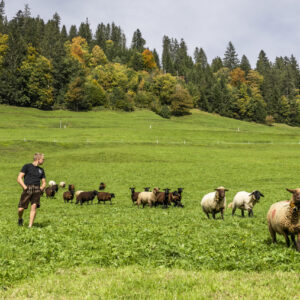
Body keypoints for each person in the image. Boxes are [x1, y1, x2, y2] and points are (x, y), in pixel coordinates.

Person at [17, 153, 46, 227]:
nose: (43, 161)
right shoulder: (27, 166)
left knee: (33, 208)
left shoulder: (41, 170)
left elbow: (44, 182)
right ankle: (20, 218)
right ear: (38, 159)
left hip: (37, 190)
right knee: (20, 209)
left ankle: (30, 226)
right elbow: (19, 178)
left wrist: (41, 188)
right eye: (43, 159)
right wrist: (25, 187)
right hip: (27, 188)